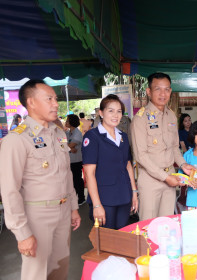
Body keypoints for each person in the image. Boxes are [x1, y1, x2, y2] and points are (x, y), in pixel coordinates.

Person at [0, 79, 81, 280]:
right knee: (36, 273)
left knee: (60, 269)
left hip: (63, 213)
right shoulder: (17, 139)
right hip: (37, 216)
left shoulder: (58, 133)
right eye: (49, 99)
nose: (55, 103)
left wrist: (73, 207)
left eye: (55, 99)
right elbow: (10, 190)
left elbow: (66, 174)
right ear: (31, 103)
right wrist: (22, 233)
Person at [131, 72, 193, 221]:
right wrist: (165, 177)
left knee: (166, 225)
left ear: (171, 91)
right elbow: (141, 156)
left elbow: (173, 148)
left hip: (171, 177)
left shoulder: (171, 116)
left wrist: (183, 164)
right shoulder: (140, 119)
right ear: (149, 91)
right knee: (148, 224)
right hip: (150, 180)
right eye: (158, 89)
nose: (163, 94)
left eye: (166, 89)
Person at [82, 94, 138, 229]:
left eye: (119, 111)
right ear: (101, 113)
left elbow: (128, 166)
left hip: (124, 196)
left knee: (122, 236)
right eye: (110, 111)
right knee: (106, 242)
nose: (116, 115)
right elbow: (89, 174)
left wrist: (134, 193)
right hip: (104, 199)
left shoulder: (123, 136)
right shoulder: (93, 136)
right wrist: (96, 205)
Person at [65, 114, 86, 205]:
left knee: (77, 180)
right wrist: (68, 148)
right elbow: (61, 143)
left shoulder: (77, 133)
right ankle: (76, 197)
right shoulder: (68, 133)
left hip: (76, 161)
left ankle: (81, 198)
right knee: (72, 180)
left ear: (72, 122)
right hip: (70, 160)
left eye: (67, 121)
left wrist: (68, 147)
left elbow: (70, 145)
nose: (66, 122)